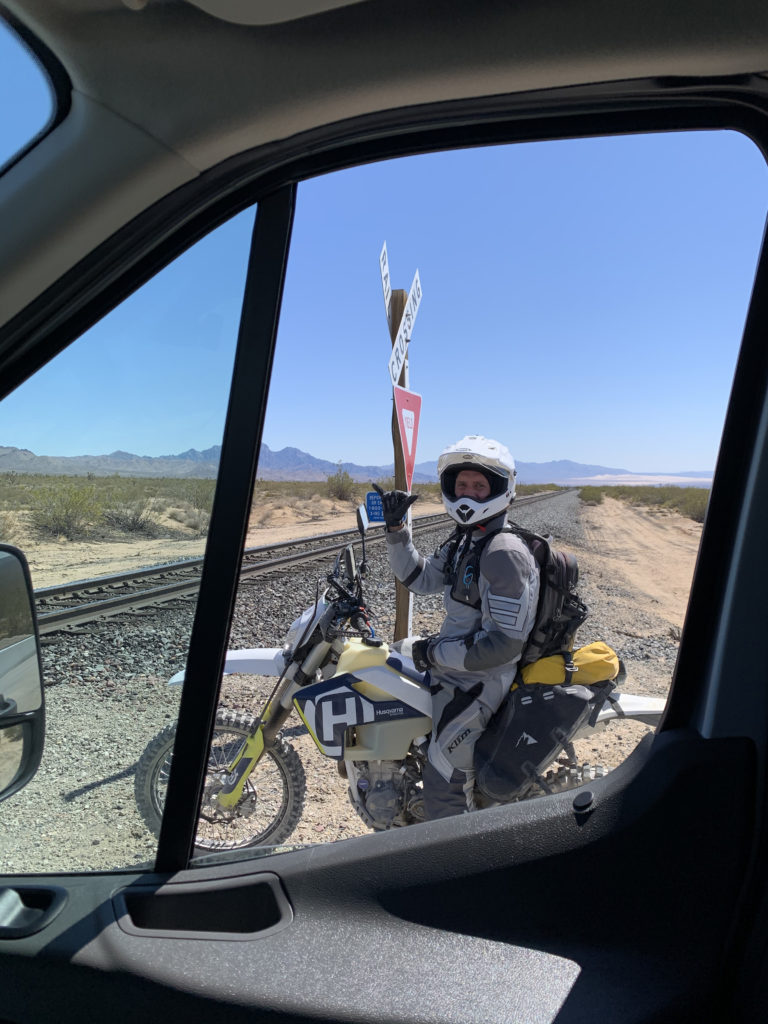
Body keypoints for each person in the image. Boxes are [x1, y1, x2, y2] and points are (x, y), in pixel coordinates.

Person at [374, 435, 540, 820]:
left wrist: (432, 651)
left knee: (443, 777)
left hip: (481, 680)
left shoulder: (503, 553)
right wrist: (397, 529)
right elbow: (420, 579)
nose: (469, 493)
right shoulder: (466, 540)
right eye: (461, 484)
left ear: (501, 490)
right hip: (455, 668)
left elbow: (501, 646)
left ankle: (451, 859)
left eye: (479, 486)